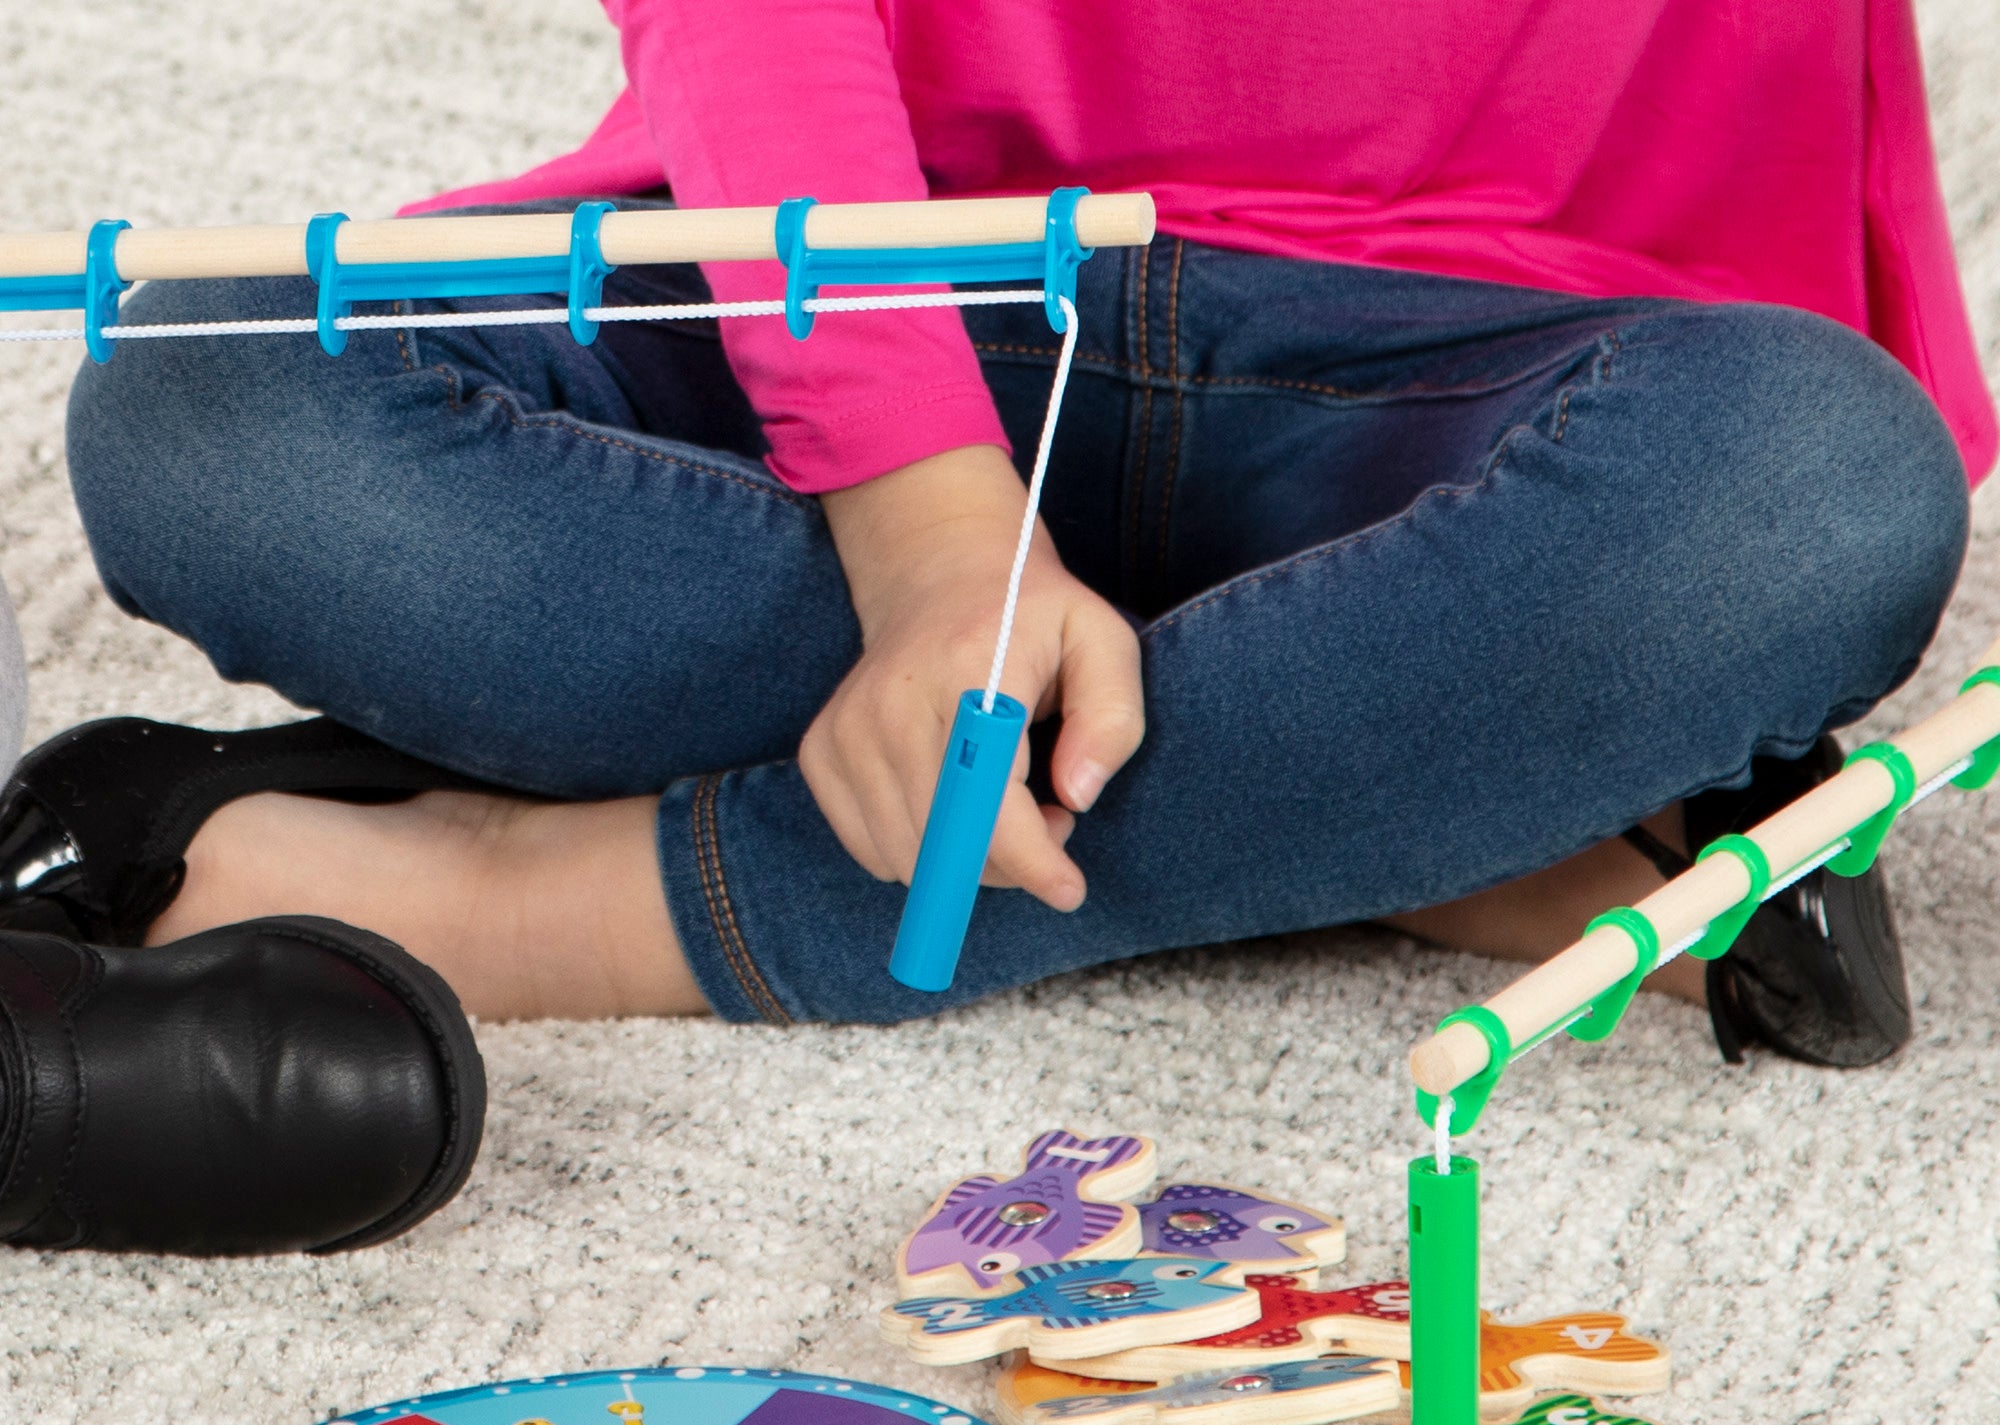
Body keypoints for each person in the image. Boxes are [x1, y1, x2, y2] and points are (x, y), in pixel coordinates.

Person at [30, 0, 1992, 1070]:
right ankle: (1404, 792)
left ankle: (600, 903)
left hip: (1514, 334)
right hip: (881, 257)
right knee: (218, 398)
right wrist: (930, 529)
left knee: (1805, 483)